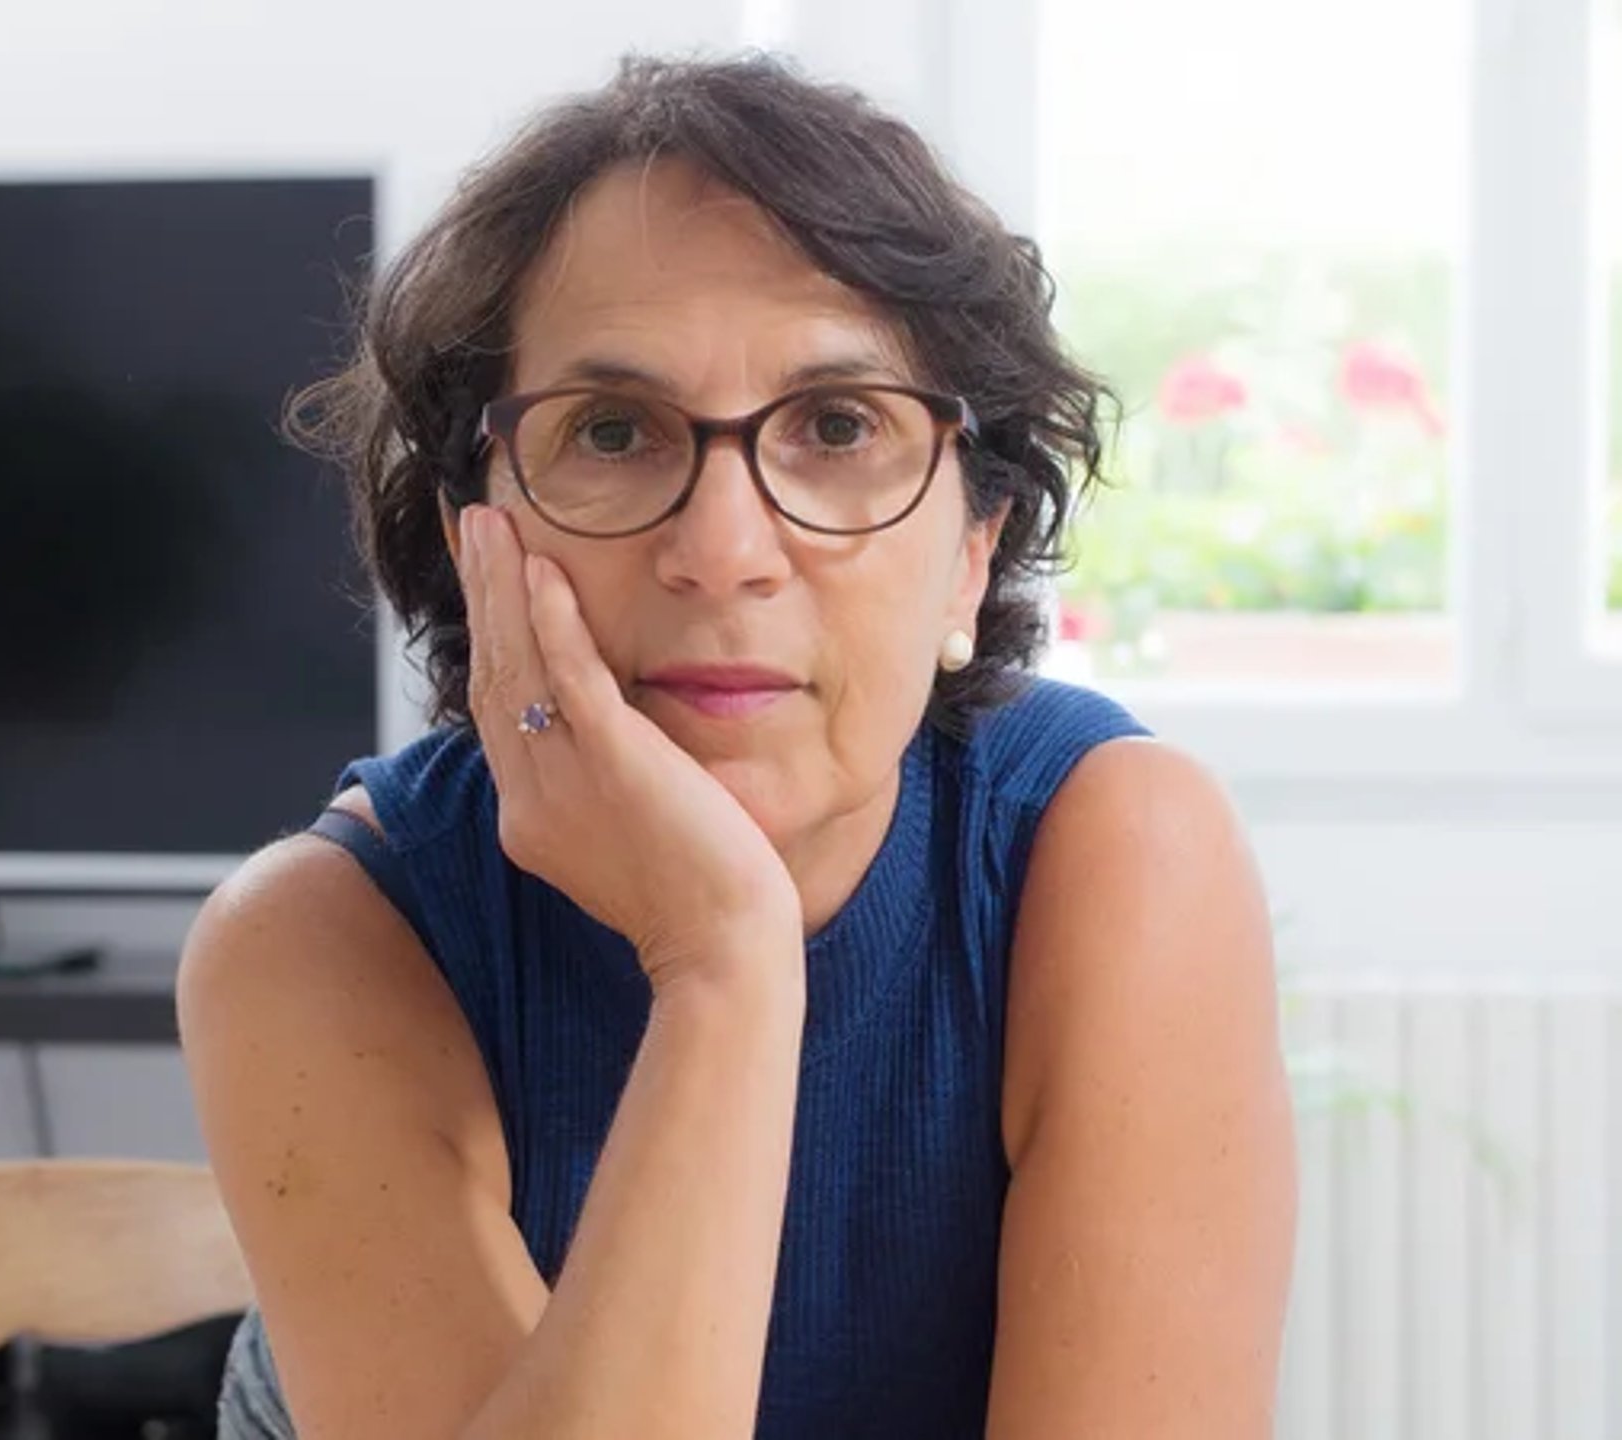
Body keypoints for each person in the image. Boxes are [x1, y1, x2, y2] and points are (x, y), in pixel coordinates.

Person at [180, 50, 1297, 1440]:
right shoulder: (322, 942)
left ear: (970, 556)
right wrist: (724, 968)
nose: (723, 552)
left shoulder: (1117, 851)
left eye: (838, 426)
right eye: (612, 430)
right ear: (481, 540)